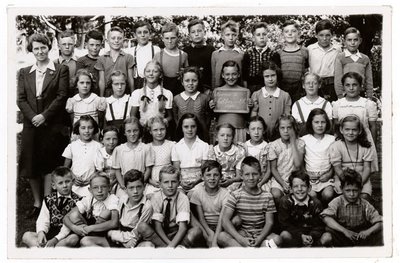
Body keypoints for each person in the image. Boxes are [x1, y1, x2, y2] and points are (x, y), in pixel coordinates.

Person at [17, 33, 69, 218]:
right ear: (32, 50)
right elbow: (21, 99)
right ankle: (37, 203)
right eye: (36, 48)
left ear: (49, 47)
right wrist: (33, 118)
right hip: (32, 124)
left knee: (48, 163)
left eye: (43, 48)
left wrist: (44, 116)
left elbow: (61, 96)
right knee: (31, 163)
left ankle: (48, 203)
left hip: (51, 123)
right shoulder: (24, 72)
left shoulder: (60, 69)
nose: (40, 51)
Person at [217, 156, 282, 248]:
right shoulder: (235, 195)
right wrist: (241, 239)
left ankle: (249, 251)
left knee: (277, 239)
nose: (251, 178)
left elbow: (269, 223)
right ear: (242, 176)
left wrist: (259, 238)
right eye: (247, 174)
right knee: (221, 236)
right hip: (242, 234)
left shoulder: (267, 196)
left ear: (260, 175)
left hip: (261, 234)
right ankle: (250, 251)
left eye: (254, 174)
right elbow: (225, 220)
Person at [138, 165, 203, 248]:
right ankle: (174, 250)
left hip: (177, 233)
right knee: (142, 227)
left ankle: (176, 248)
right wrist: (170, 245)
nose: (170, 185)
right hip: (160, 234)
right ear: (160, 183)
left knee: (196, 231)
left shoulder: (182, 198)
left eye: (173, 182)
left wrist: (171, 246)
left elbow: (182, 228)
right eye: (166, 182)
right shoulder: (156, 197)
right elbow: (157, 226)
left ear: (179, 183)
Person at [320, 169, 383, 247]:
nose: (352, 194)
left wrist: (368, 232)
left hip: (360, 236)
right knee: (326, 237)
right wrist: (345, 231)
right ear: (341, 188)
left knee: (383, 235)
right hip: (342, 236)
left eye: (355, 190)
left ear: (360, 189)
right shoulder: (337, 202)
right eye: (348, 190)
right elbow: (326, 218)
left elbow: (380, 222)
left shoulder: (365, 204)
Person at [22, 167, 81, 248]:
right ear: (53, 185)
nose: (64, 185)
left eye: (67, 182)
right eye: (60, 183)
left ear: (72, 182)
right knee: (26, 235)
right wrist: (41, 232)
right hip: (51, 232)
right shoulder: (48, 199)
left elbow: (68, 227)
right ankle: (50, 251)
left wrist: (55, 239)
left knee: (73, 239)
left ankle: (44, 251)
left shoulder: (78, 200)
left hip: (66, 235)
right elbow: (43, 218)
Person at [332, 72, 378, 173]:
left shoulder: (368, 104)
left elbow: (373, 127)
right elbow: (336, 126)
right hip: (344, 142)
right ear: (343, 87)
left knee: (362, 171)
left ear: (361, 86)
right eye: (347, 85)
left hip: (363, 142)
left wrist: (371, 145)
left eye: (354, 84)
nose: (351, 88)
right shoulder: (338, 104)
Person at [63, 174, 119, 247]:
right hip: (87, 230)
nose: (99, 190)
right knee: (74, 215)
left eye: (103, 187)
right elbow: (66, 218)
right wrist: (74, 228)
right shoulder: (89, 198)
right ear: (90, 190)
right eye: (95, 187)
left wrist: (91, 228)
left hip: (104, 234)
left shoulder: (112, 199)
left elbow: (114, 223)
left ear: (109, 188)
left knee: (106, 213)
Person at [329, 115, 375, 200]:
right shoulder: (336, 146)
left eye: (354, 130)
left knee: (363, 196)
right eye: (347, 129)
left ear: (360, 131)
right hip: (343, 178)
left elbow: (367, 168)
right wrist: (346, 181)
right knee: (343, 197)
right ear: (341, 130)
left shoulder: (366, 146)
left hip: (362, 178)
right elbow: (338, 168)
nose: (350, 133)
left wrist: (360, 183)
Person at [108, 169, 154, 247]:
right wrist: (123, 241)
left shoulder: (146, 206)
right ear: (125, 189)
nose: (135, 191)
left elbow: (138, 232)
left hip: (136, 237)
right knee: (109, 233)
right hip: (121, 234)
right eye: (131, 188)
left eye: (138, 187)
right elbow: (117, 222)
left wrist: (128, 242)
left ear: (144, 187)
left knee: (148, 246)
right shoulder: (122, 199)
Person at [278, 171, 325, 247]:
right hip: (294, 235)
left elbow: (320, 226)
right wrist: (301, 236)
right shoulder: (285, 201)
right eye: (296, 186)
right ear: (291, 189)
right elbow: (284, 224)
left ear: (309, 188)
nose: (300, 189)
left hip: (311, 236)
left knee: (327, 237)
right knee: (284, 235)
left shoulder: (316, 203)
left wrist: (311, 236)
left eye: (303, 186)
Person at [210, 60, 252, 143]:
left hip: (239, 129)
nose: (231, 77)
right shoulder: (217, 92)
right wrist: (211, 107)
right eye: (227, 74)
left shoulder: (245, 92)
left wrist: (250, 106)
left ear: (239, 74)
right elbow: (213, 115)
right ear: (222, 75)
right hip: (222, 130)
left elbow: (248, 115)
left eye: (234, 74)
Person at [111, 117, 154, 199]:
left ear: (139, 131)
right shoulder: (119, 149)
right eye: (129, 131)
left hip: (142, 183)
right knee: (123, 199)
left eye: (135, 130)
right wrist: (123, 185)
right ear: (124, 132)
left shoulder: (146, 148)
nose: (132, 134)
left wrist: (141, 183)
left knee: (149, 198)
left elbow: (148, 169)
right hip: (125, 185)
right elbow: (117, 170)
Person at [190, 160, 230, 247]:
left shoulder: (225, 193)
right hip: (205, 226)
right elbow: (201, 218)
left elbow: (222, 219)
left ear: (221, 177)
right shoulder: (197, 192)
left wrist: (215, 240)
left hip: (221, 226)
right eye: (208, 175)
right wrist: (209, 233)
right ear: (202, 177)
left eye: (216, 175)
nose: (212, 178)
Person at [301, 108, 336, 206]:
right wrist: (306, 174)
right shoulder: (304, 140)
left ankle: (326, 210)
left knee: (328, 194)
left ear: (327, 123)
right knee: (312, 195)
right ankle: (316, 214)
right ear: (310, 123)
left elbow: (336, 161)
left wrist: (329, 174)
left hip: (326, 177)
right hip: (310, 178)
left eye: (323, 122)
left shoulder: (332, 140)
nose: (320, 125)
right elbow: (300, 162)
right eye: (316, 122)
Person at [62, 115, 102, 197]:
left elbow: (100, 169)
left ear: (94, 129)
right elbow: (65, 168)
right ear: (78, 129)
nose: (87, 131)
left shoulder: (99, 147)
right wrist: (73, 177)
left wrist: (92, 178)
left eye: (90, 128)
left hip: (91, 184)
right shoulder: (72, 146)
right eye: (83, 128)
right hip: (74, 184)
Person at [251, 61, 291, 140]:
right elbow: (253, 118)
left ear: (277, 75)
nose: (270, 79)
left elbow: (287, 117)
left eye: (273, 75)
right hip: (260, 135)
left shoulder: (285, 96)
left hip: (278, 136)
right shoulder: (256, 95)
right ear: (262, 77)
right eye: (267, 76)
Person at [268, 115, 305, 204]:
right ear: (278, 129)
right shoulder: (274, 145)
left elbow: (298, 164)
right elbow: (273, 168)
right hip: (279, 179)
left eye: (289, 128)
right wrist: (283, 184)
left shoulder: (300, 143)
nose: (286, 131)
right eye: (282, 128)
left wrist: (293, 142)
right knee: (276, 194)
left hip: (295, 178)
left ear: (294, 128)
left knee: (295, 197)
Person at [172, 113, 209, 193]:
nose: (189, 129)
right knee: (179, 196)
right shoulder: (176, 147)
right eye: (186, 127)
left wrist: (195, 182)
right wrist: (181, 182)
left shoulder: (204, 146)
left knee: (195, 195)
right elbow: (176, 169)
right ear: (181, 128)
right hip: (181, 183)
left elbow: (204, 169)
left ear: (197, 127)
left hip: (199, 182)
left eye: (193, 126)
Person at [130, 60, 174, 128]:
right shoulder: (137, 93)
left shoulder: (167, 93)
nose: (151, 74)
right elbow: (133, 116)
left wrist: (164, 121)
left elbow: (170, 116)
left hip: (159, 129)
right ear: (144, 74)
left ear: (160, 75)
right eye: (148, 71)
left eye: (155, 71)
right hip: (143, 129)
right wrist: (141, 124)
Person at [173, 66, 211, 142]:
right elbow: (176, 118)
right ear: (182, 82)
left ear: (198, 81)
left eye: (194, 80)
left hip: (202, 137)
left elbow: (208, 117)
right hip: (183, 137)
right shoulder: (177, 98)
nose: (190, 83)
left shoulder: (204, 98)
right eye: (187, 80)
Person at [334, 27, 374, 99]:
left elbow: (369, 80)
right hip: (345, 96)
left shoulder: (365, 58)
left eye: (355, 40)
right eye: (349, 40)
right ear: (344, 41)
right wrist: (340, 96)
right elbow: (338, 79)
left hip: (361, 95)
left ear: (360, 41)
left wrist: (369, 97)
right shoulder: (340, 57)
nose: (352, 43)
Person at [95, 26, 134, 97]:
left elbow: (130, 78)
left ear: (123, 40)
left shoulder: (128, 57)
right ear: (107, 41)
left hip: (124, 92)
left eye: (119, 38)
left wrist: (132, 95)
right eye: (113, 38)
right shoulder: (102, 59)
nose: (116, 41)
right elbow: (102, 81)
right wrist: (101, 97)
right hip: (108, 93)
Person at [307, 19, 340, 102]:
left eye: (328, 35)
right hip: (315, 85)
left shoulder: (337, 49)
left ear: (332, 35)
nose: (324, 38)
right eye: (321, 35)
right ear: (316, 35)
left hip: (332, 85)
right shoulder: (310, 49)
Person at [242, 21, 280, 94]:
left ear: (267, 36)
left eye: (264, 34)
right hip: (252, 88)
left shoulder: (273, 54)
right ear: (253, 38)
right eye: (258, 35)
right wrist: (246, 91)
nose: (261, 37)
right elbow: (244, 76)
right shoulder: (248, 54)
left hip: (269, 88)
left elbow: (277, 76)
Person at [277, 20, 309, 103]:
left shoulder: (304, 51)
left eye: (293, 31)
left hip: (299, 90)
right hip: (283, 89)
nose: (290, 33)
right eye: (286, 31)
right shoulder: (279, 53)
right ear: (283, 34)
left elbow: (306, 70)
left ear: (298, 33)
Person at [292, 72, 333, 136]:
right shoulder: (297, 105)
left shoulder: (326, 104)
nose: (311, 86)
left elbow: (329, 128)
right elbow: (294, 129)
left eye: (314, 83)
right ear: (303, 85)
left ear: (319, 85)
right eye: (308, 83)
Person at [207, 123, 246, 190]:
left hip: (233, 181)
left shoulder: (239, 152)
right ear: (216, 137)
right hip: (215, 180)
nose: (225, 138)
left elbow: (239, 176)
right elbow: (211, 172)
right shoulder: (212, 151)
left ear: (233, 138)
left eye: (229, 135)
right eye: (222, 135)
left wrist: (230, 181)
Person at [153, 22, 189, 96]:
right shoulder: (158, 55)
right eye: (166, 38)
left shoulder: (183, 55)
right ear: (162, 38)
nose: (169, 41)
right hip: (162, 90)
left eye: (172, 38)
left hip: (179, 90)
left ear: (178, 38)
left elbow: (187, 75)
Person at [145, 116, 175, 195]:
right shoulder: (147, 147)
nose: (159, 132)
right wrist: (151, 181)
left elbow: (175, 166)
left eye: (162, 129)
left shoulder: (172, 145)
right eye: (155, 130)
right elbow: (145, 170)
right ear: (150, 131)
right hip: (154, 183)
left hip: (169, 180)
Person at [183, 18, 215, 91]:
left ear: (204, 32)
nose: (196, 34)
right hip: (190, 90)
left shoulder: (211, 50)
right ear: (189, 35)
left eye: (199, 31)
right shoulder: (185, 51)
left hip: (208, 89)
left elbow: (214, 73)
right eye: (193, 32)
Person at [211, 20, 244, 89]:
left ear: (237, 36)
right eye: (228, 35)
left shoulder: (241, 54)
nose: (231, 38)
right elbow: (213, 77)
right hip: (220, 91)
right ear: (222, 36)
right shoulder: (216, 54)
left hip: (237, 91)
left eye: (234, 35)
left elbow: (243, 78)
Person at [243, 116, 271, 192]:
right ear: (247, 131)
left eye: (259, 129)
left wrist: (261, 183)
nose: (256, 132)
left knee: (265, 192)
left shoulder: (267, 147)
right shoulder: (244, 147)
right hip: (247, 181)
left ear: (264, 130)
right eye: (253, 129)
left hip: (262, 181)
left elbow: (269, 170)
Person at [104, 70, 133, 143]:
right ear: (111, 85)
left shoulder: (130, 100)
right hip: (111, 140)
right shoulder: (106, 101)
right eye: (116, 84)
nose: (120, 87)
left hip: (127, 139)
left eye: (122, 84)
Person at [131, 20, 161, 90]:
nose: (142, 35)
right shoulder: (131, 51)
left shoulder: (156, 49)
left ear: (150, 34)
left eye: (145, 32)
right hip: (137, 84)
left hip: (153, 83)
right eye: (139, 33)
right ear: (134, 35)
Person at [76, 30, 104, 95]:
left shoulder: (103, 60)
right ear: (86, 45)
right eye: (92, 45)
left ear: (101, 46)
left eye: (97, 45)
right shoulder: (81, 61)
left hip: (101, 94)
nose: (95, 48)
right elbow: (78, 81)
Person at [94, 126, 119, 192]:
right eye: (108, 139)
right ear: (102, 140)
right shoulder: (100, 153)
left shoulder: (120, 152)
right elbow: (100, 172)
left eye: (114, 139)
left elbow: (122, 172)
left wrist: (113, 183)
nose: (111, 142)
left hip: (118, 182)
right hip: (103, 183)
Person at [54, 29, 79, 96]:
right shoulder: (54, 64)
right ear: (59, 46)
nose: (67, 47)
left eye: (70, 44)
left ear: (74, 45)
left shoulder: (80, 61)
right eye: (64, 44)